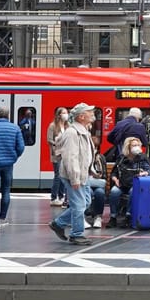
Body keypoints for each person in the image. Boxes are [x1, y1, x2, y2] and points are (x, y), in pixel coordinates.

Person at [48, 103, 96, 246]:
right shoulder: (73, 133)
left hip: (82, 173)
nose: (92, 113)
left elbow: (85, 155)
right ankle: (77, 234)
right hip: (75, 175)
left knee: (84, 202)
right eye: (89, 111)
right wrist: (74, 178)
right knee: (79, 204)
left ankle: (59, 224)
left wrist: (91, 169)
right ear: (81, 116)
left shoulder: (82, 131)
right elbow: (70, 157)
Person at [106, 137, 150, 228]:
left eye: (138, 145)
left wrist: (143, 173)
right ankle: (113, 217)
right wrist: (116, 180)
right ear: (128, 147)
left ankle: (128, 215)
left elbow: (149, 170)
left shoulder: (142, 158)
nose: (137, 147)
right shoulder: (121, 158)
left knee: (133, 192)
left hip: (136, 184)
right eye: (134, 145)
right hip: (122, 184)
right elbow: (114, 173)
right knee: (114, 192)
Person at [46, 107, 69, 206]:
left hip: (65, 154)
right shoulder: (52, 126)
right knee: (57, 176)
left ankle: (61, 196)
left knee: (63, 176)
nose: (66, 115)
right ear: (59, 115)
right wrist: (58, 142)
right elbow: (49, 139)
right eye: (64, 113)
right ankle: (54, 197)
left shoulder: (68, 126)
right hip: (56, 154)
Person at [84, 147, 107, 230]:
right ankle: (84, 216)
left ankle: (98, 217)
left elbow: (104, 175)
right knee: (88, 192)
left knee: (100, 193)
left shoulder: (100, 158)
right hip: (85, 184)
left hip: (98, 184)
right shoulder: (83, 159)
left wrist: (98, 176)